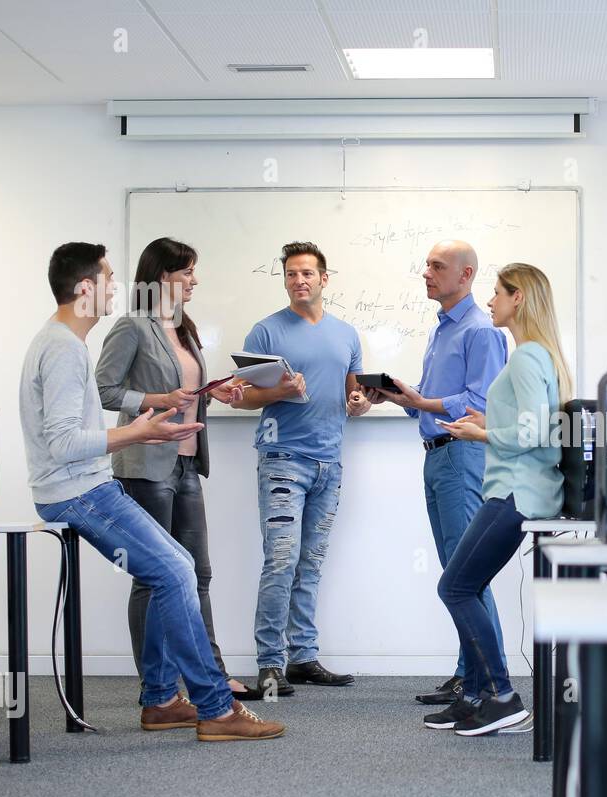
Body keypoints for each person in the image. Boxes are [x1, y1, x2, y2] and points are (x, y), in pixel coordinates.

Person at [20, 242, 283, 741]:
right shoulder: (62, 348)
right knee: (176, 571)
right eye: (108, 277)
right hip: (76, 490)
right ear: (84, 289)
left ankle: (162, 700)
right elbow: (62, 444)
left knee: (179, 569)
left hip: (86, 484)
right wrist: (140, 432)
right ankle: (215, 708)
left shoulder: (63, 343)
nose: (116, 286)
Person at [96, 237, 252, 700]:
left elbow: (185, 389)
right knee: (153, 577)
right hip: (145, 465)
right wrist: (155, 401)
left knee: (197, 573)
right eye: (187, 272)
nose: (194, 280)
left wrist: (215, 392)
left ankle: (212, 675)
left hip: (186, 465)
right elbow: (104, 390)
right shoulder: (133, 327)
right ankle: (158, 691)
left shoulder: (184, 327)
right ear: (163, 275)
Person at [420, 263, 572, 736]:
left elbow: (531, 433)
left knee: (456, 587)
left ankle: (502, 697)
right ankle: (482, 695)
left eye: (498, 294)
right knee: (463, 585)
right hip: (522, 489)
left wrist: (480, 432)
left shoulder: (527, 358)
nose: (490, 302)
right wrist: (483, 425)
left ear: (519, 298)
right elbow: (539, 428)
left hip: (513, 491)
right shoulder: (542, 356)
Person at [364, 240, 508, 706]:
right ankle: (470, 673)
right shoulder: (442, 329)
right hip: (437, 455)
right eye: (426, 264)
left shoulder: (480, 330)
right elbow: (437, 400)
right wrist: (407, 398)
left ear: (466, 275)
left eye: (437, 266)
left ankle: (491, 682)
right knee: (456, 570)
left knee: (468, 574)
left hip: (463, 457)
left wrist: (422, 400)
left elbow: (480, 405)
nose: (426, 272)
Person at [231, 241, 372, 697]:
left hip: (329, 464)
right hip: (282, 460)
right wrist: (282, 391)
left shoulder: (346, 334)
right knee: (281, 560)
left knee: (309, 564)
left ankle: (303, 658)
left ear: (324, 279)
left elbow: (355, 398)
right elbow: (244, 397)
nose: (299, 281)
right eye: (291, 274)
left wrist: (361, 402)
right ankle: (270, 663)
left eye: (307, 273)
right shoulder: (266, 333)